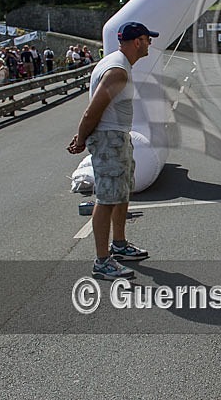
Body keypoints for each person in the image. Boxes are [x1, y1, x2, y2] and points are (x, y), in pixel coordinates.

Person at [67, 21, 158, 280]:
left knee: (121, 192)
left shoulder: (117, 63)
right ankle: (102, 261)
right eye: (147, 39)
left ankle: (119, 244)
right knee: (106, 200)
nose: (150, 43)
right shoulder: (118, 70)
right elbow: (93, 110)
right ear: (137, 42)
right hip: (109, 140)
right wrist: (82, 138)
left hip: (116, 137)